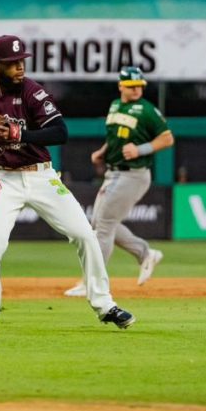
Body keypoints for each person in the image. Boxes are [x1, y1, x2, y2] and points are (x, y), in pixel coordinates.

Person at [0, 35, 136, 335]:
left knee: (85, 235)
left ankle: (105, 305)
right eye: (12, 63)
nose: (19, 68)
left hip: (41, 176)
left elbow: (60, 132)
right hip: (2, 178)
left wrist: (18, 135)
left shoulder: (32, 92)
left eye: (21, 61)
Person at [64, 67, 174, 297]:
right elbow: (115, 136)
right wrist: (104, 151)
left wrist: (141, 149)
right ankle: (145, 253)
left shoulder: (146, 110)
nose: (136, 90)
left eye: (139, 86)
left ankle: (93, 283)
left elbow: (167, 138)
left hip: (132, 174)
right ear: (120, 86)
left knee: (102, 227)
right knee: (102, 222)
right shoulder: (115, 105)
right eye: (131, 86)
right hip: (114, 173)